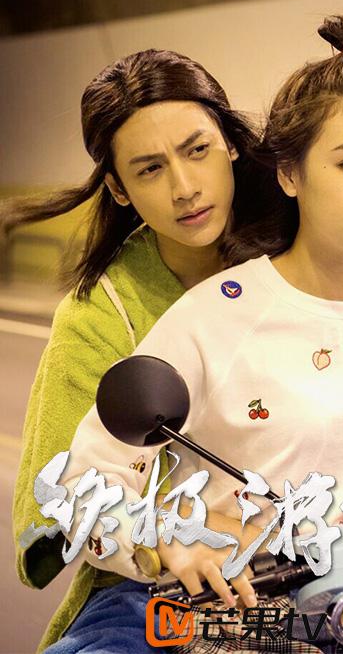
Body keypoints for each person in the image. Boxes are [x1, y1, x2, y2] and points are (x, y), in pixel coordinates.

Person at [62, 13, 343, 652]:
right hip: (247, 619)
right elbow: (83, 490)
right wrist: (169, 535)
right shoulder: (214, 315)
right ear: (289, 174)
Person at [8, 48, 284, 653]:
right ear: (119, 188)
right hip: (156, 594)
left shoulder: (301, 258)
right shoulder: (102, 313)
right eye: (150, 169)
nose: (185, 188)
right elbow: (61, 499)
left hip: (319, 564)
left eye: (197, 150)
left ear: (230, 144)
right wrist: (171, 533)